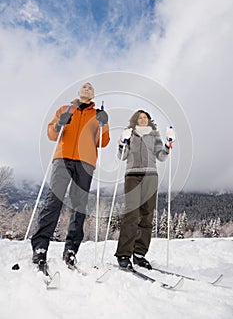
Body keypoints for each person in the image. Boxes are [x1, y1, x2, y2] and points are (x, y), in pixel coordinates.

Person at [31, 82, 110, 268]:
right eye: (84, 87)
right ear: (78, 92)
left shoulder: (97, 114)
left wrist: (104, 124)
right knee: (53, 201)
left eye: (91, 88)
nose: (87, 89)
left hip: (86, 162)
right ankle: (40, 247)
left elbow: (103, 142)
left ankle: (71, 250)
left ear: (93, 94)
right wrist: (59, 124)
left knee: (79, 205)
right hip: (62, 158)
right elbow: (51, 134)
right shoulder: (64, 109)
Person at [115, 110, 175, 270]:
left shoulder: (154, 136)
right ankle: (123, 254)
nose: (143, 119)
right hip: (132, 175)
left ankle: (139, 254)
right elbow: (122, 156)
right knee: (132, 214)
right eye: (140, 117)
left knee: (147, 215)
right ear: (135, 120)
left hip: (150, 175)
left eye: (145, 117)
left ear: (149, 121)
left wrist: (168, 147)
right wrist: (122, 144)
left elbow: (161, 156)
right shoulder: (129, 134)